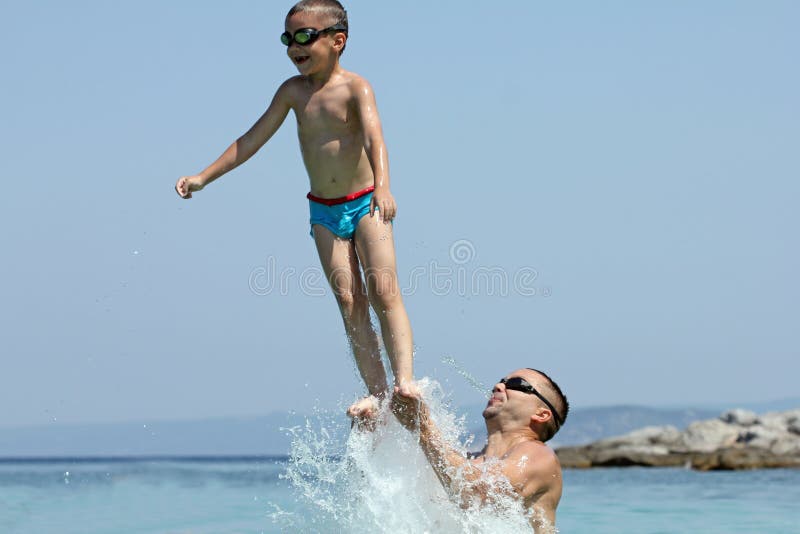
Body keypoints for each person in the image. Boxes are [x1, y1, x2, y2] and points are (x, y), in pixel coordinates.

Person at [175, 0, 417, 415]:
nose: (294, 46)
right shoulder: (291, 92)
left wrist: (385, 187)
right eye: (288, 38)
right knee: (348, 300)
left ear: (337, 41)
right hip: (323, 210)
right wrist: (203, 176)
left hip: (366, 203)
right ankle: (378, 394)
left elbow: (376, 137)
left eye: (304, 36)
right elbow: (250, 140)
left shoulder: (356, 87)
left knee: (383, 290)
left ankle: (405, 382)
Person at [391, 368, 569, 533]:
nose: (498, 386)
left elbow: (479, 495)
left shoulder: (540, 455)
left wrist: (424, 428)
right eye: (501, 381)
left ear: (541, 414)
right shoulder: (465, 462)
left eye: (517, 384)